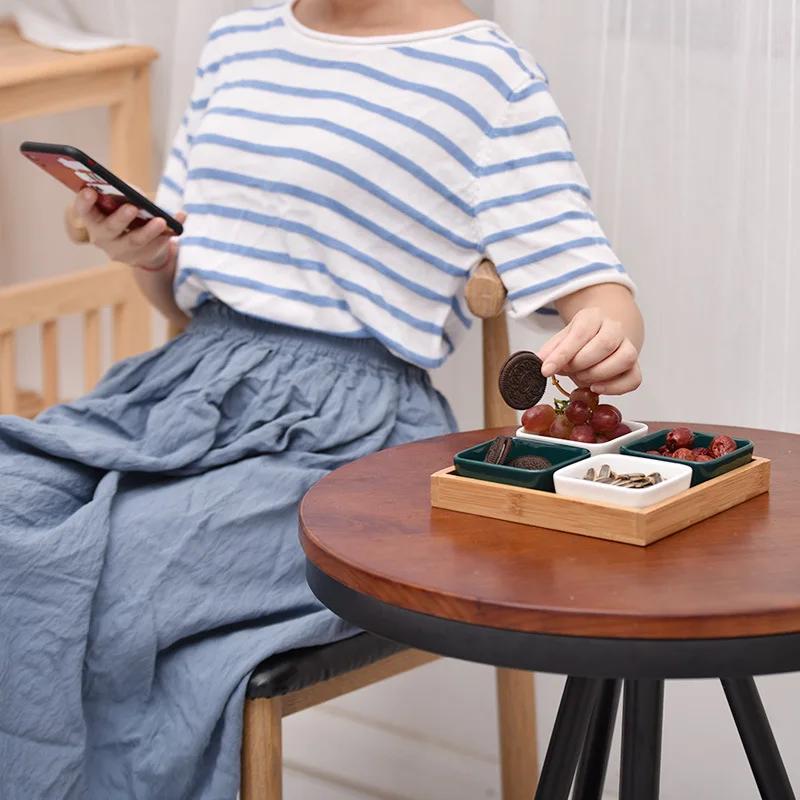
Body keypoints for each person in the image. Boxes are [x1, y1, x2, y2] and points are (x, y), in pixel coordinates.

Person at [0, 1, 644, 797]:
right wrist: (137, 251)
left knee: (110, 580)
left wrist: (610, 334)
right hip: (183, 388)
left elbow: (596, 289)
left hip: (348, 436)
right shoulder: (237, 41)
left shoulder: (486, 75)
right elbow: (180, 297)